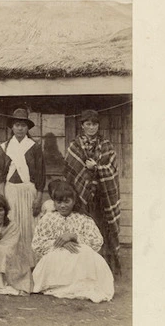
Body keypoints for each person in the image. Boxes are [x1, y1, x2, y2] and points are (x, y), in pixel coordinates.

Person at [31, 181, 114, 303]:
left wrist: (74, 237)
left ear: (74, 201)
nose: (63, 206)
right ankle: (58, 284)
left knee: (85, 252)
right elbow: (37, 243)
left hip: (79, 259)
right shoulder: (48, 219)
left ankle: (80, 284)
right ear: (54, 203)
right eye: (59, 202)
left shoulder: (83, 219)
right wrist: (61, 242)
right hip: (56, 259)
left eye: (66, 202)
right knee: (60, 254)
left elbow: (97, 241)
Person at [63, 109, 121, 272]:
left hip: (101, 198)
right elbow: (69, 171)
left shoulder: (106, 146)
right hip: (80, 197)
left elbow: (112, 169)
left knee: (101, 231)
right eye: (88, 124)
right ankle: (82, 267)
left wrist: (97, 167)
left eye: (94, 124)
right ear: (82, 126)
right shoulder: (74, 146)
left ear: (98, 126)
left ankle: (102, 268)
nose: (91, 127)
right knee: (81, 229)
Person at [0, 108, 45, 271]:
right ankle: (11, 264)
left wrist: (38, 197)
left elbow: (40, 173)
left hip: (28, 190)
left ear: (27, 128)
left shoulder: (34, 147)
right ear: (12, 127)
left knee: (29, 226)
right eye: (17, 125)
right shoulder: (3, 148)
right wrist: (2, 196)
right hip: (10, 191)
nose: (20, 128)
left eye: (23, 125)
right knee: (12, 225)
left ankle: (30, 264)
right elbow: (0, 174)